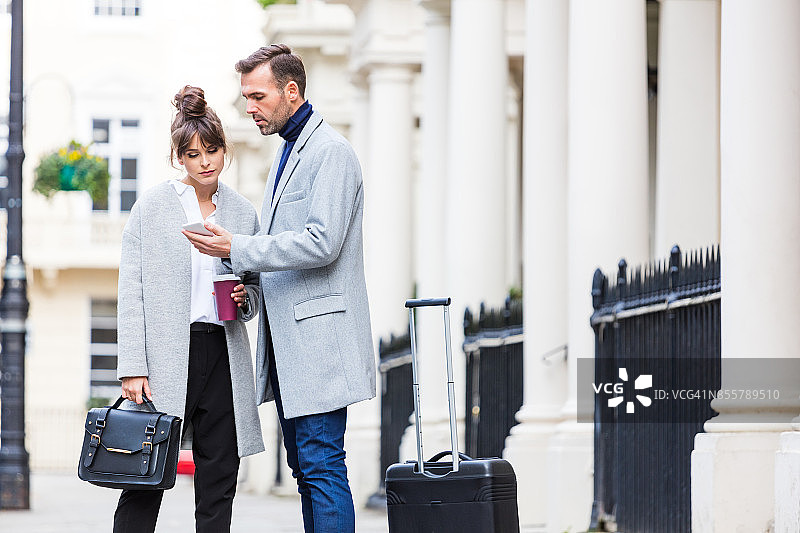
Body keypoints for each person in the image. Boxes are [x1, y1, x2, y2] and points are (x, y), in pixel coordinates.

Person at [183, 45, 375, 533]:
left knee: (322, 469)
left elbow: (322, 242)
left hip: (319, 349)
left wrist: (238, 248)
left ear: (292, 91)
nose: (249, 107)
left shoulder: (330, 152)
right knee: (308, 472)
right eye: (246, 97)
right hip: (293, 350)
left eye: (257, 96)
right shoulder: (290, 151)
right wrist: (249, 290)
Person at [115, 85, 265, 533]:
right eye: (194, 153)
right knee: (144, 476)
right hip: (163, 359)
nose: (205, 162)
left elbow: (256, 290)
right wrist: (132, 366)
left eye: (213, 150)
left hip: (222, 353)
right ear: (179, 156)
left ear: (225, 150)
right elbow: (131, 289)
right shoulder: (153, 208)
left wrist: (245, 299)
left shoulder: (242, 213)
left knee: (219, 479)